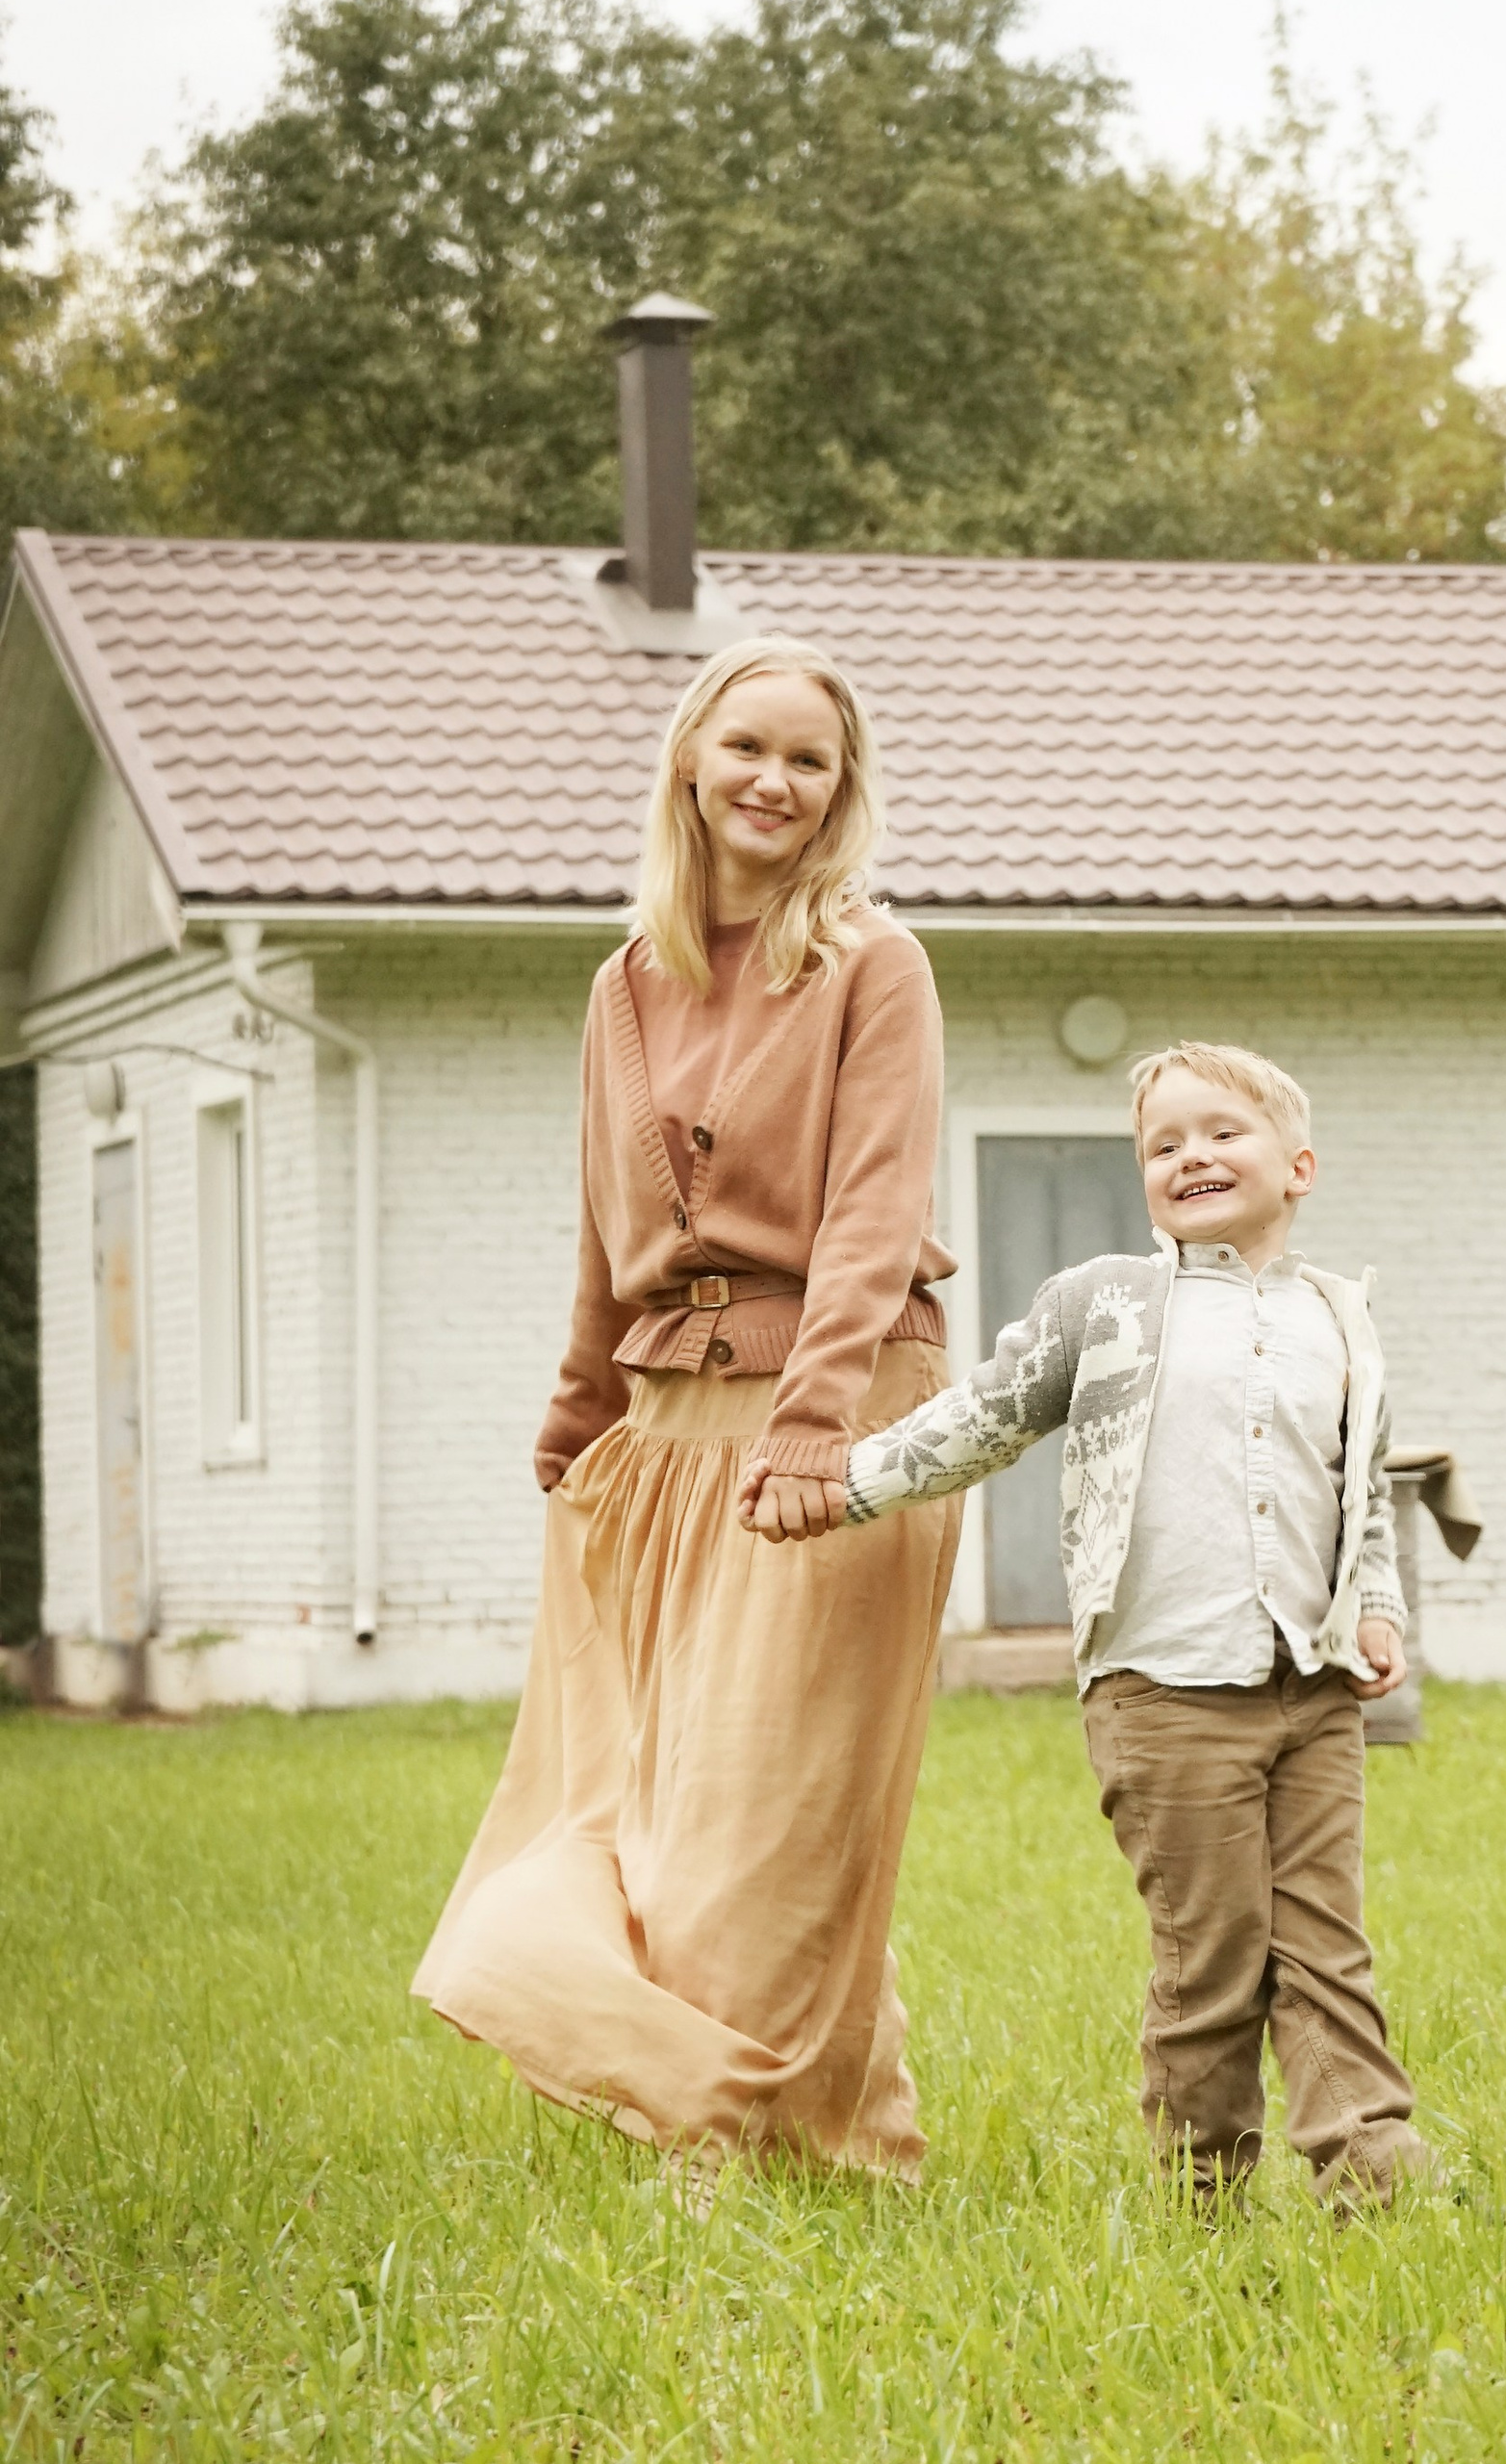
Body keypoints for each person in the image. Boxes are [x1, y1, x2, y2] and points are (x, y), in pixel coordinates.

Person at [413, 634, 963, 2188]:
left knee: (773, 1816)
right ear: (690, 762)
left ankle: (727, 2136)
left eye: (810, 759)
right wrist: (583, 1399)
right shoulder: (624, 983)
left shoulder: (875, 966)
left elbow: (873, 1209)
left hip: (837, 1417)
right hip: (662, 1428)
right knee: (626, 1807)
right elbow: (603, 1213)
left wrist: (816, 1419)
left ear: (841, 792)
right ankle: (813, 2138)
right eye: (748, 749)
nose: (774, 781)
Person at [836, 1040, 1432, 2207]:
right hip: (1163, 1692)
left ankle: (1372, 2171)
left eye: (1222, 1132)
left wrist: (1374, 1606)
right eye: (1163, 1144)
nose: (1190, 1155)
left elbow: (1361, 1493)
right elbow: (981, 1420)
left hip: (1307, 1692)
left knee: (1326, 1950)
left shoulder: (1340, 1319)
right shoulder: (1103, 1303)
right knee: (1210, 1961)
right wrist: (845, 1481)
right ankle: (1197, 2196)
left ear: (1298, 1164)